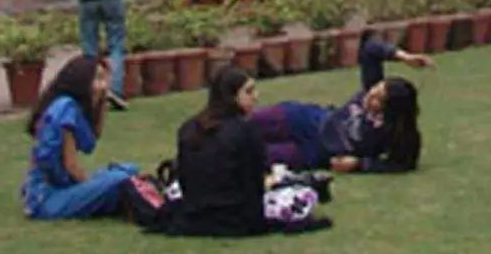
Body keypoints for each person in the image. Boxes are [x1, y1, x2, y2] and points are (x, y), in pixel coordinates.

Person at [248, 35, 424, 173]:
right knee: (246, 124)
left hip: (314, 152)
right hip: (308, 120)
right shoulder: (370, 88)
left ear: (389, 110)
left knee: (251, 157)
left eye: (378, 99)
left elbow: (402, 164)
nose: (370, 95)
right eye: (376, 89)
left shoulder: (391, 131)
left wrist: (359, 164)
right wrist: (403, 56)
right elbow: (370, 49)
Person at [19, 55, 140, 221]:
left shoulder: (72, 107)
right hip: (48, 198)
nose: (105, 85)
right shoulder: (64, 109)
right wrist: (92, 188)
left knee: (129, 169)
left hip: (61, 188)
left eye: (105, 79)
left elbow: (92, 140)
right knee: (121, 179)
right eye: (98, 78)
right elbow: (72, 166)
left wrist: (102, 103)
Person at [168, 66, 270, 237]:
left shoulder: (188, 128)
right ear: (231, 96)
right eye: (249, 91)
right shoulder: (245, 130)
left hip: (193, 216)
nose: (256, 97)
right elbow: (253, 181)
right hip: (235, 219)